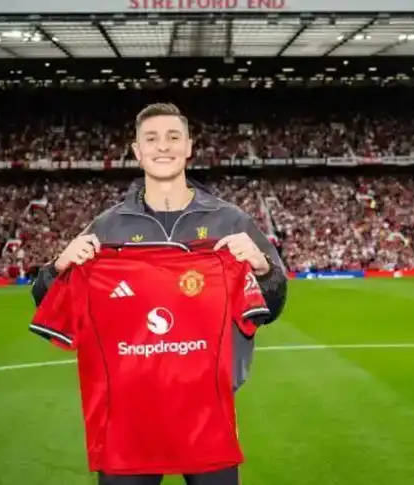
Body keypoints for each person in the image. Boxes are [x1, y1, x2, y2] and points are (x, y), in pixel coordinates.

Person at [31, 102, 288, 485]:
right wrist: (57, 267)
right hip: (126, 417)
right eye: (151, 139)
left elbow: (273, 305)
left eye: (173, 137)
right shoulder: (107, 227)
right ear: (137, 151)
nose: (163, 146)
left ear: (189, 146)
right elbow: (50, 302)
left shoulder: (231, 221)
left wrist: (263, 269)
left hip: (208, 410)